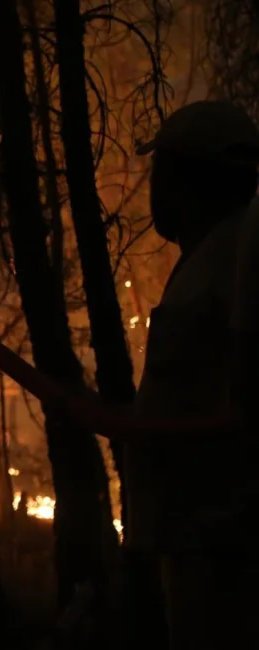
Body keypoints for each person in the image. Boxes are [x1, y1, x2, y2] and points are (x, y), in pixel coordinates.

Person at [128, 99, 259, 650]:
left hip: (226, 539)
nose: (153, 186)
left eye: (161, 170)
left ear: (188, 177)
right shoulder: (210, 256)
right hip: (196, 531)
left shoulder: (242, 253)